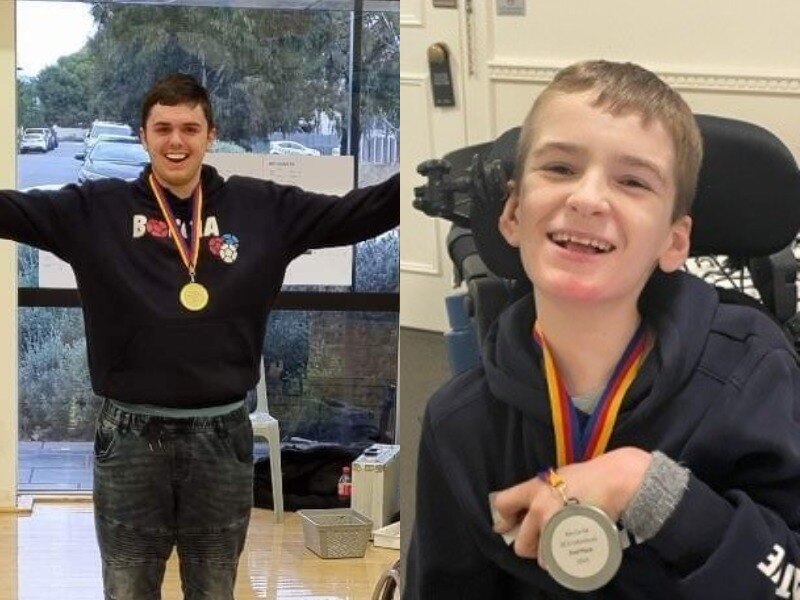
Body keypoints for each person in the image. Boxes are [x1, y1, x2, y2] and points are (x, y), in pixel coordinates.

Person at [405, 60, 800, 599]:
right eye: (560, 168)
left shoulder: (751, 376)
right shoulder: (461, 424)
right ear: (513, 214)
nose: (588, 198)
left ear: (674, 242)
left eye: (632, 181)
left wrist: (650, 490)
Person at [1, 73, 398, 599]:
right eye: (162, 128)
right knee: (127, 587)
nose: (176, 141)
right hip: (130, 437)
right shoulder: (94, 210)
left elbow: (357, 214)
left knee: (213, 587)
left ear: (211, 136)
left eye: (189, 128)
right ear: (143, 136)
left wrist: (423, 178)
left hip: (221, 436)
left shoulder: (263, 209)